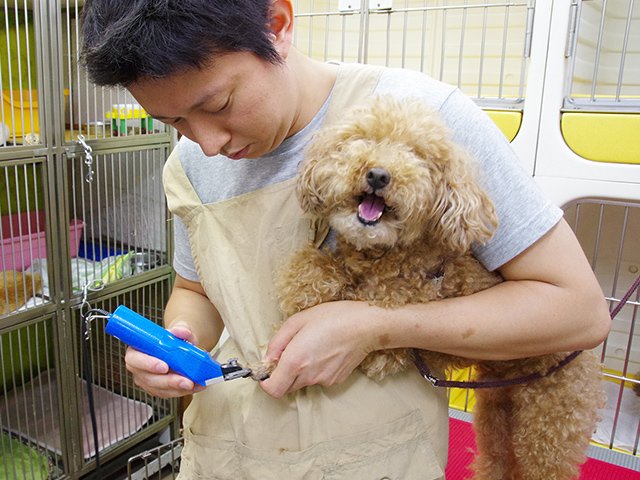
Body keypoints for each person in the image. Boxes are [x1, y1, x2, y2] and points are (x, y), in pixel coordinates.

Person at [80, 1, 611, 478]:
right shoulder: (188, 164)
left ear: (278, 25)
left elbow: (579, 311)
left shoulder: (428, 118)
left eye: (218, 105)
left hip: (375, 457)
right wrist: (177, 342)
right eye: (172, 120)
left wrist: (380, 326)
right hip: (226, 450)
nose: (208, 143)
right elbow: (197, 290)